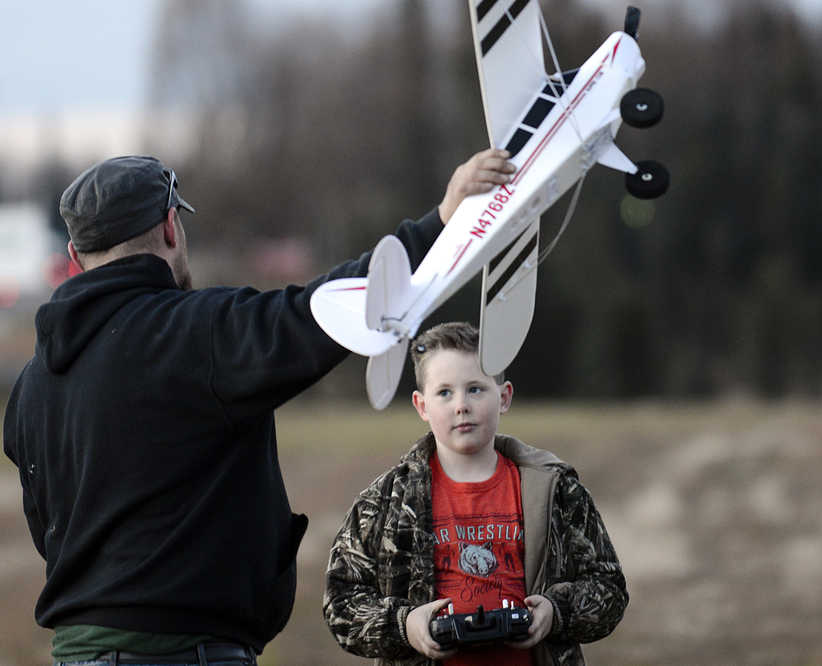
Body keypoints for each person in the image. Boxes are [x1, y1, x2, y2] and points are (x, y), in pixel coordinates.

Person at [3, 150, 516, 666]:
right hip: (186, 654)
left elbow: (52, 536)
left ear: (74, 250)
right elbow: (327, 311)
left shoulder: (30, 387)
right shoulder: (195, 334)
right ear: (169, 226)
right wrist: (443, 222)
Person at [323, 322, 627, 665]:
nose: (461, 405)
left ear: (505, 396)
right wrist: (406, 625)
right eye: (444, 393)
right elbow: (341, 601)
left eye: (476, 389)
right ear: (421, 406)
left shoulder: (555, 491)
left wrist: (555, 613)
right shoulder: (385, 502)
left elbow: (609, 588)